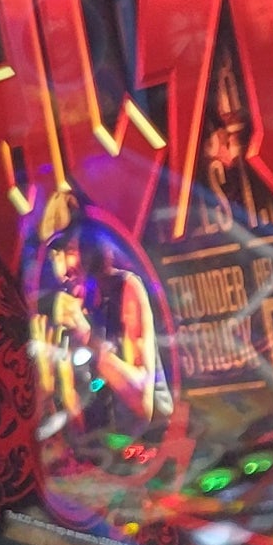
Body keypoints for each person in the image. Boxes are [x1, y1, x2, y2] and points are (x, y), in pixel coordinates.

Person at [31, 187, 168, 449]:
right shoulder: (63, 305)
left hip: (149, 454)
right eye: (55, 254)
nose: (63, 269)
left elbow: (142, 403)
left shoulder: (125, 289)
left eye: (70, 250)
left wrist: (87, 337)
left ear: (91, 247)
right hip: (98, 460)